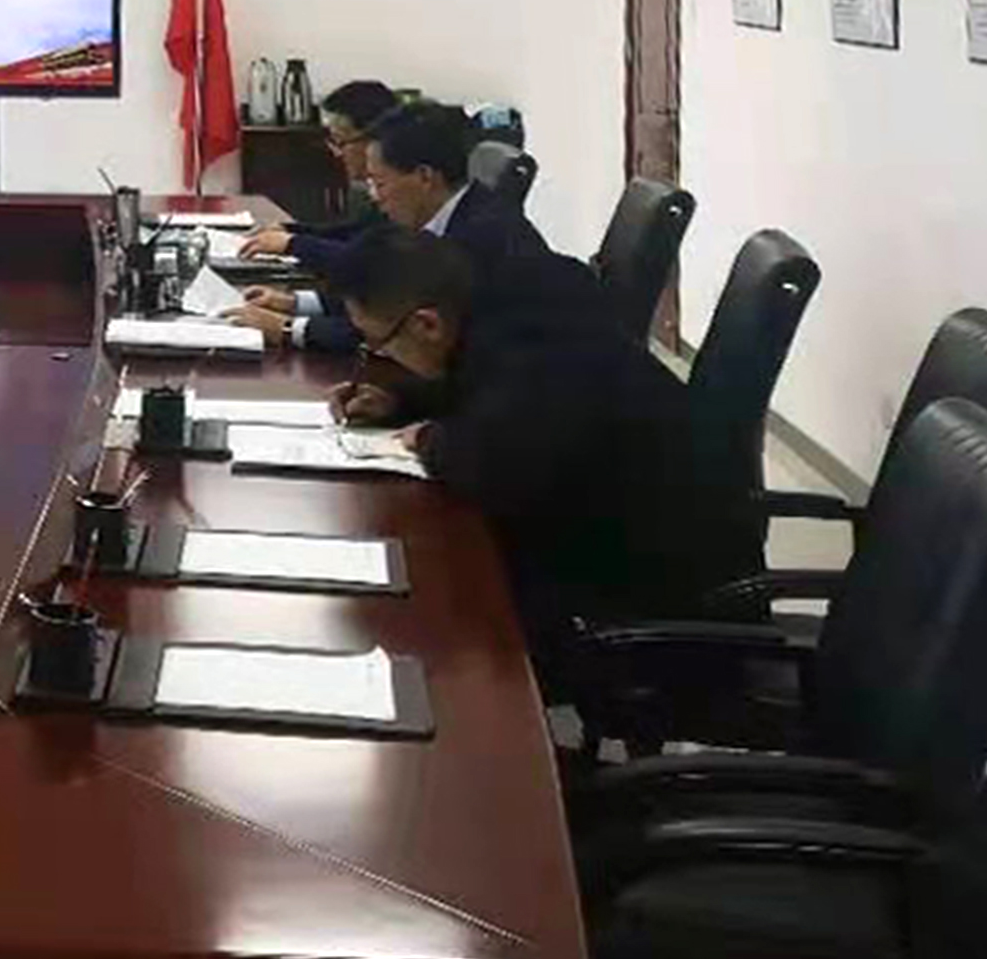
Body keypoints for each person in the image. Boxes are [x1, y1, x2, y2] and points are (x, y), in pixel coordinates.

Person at [321, 226, 755, 670]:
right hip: (634, 539)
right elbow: (483, 395)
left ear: (426, 324)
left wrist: (429, 439)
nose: (377, 354)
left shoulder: (530, 351)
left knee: (438, 619)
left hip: (652, 598)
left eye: (378, 343)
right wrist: (400, 402)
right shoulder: (505, 307)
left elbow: (492, 470)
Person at [220, 100, 566, 349]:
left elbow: (402, 330)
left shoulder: (477, 238)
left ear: (424, 177)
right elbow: (388, 298)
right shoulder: (444, 215)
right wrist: (297, 303)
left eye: (379, 182)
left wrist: (288, 329)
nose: (374, 196)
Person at [236, 78, 400, 267]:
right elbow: (355, 234)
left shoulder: (401, 187)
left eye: (340, 141)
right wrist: (289, 230)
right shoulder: (377, 186)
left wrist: (292, 244)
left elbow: (367, 259)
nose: (337, 153)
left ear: (373, 139)